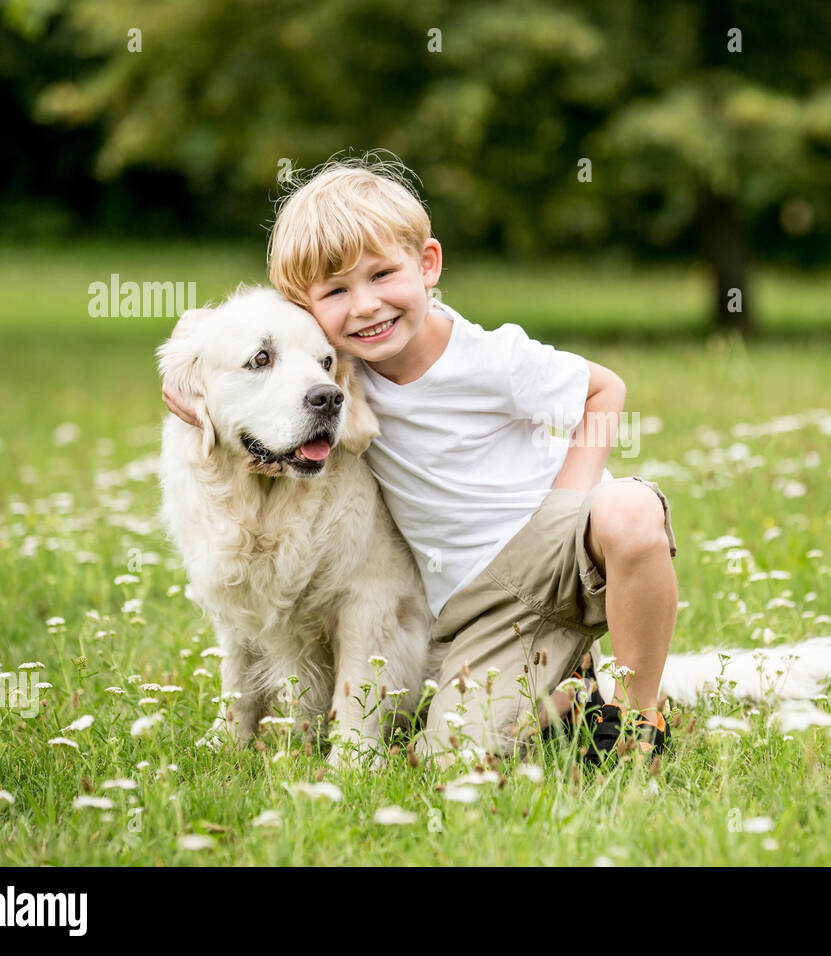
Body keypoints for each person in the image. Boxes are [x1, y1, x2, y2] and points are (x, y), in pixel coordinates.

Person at [162, 158, 679, 767]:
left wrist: (567, 506)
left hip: (561, 543)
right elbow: (238, 350)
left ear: (428, 264)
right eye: (336, 292)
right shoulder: (343, 377)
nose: (365, 307)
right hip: (477, 605)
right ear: (308, 310)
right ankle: (568, 691)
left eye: (383, 275)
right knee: (450, 758)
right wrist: (185, 367)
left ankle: (640, 715)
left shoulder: (490, 357)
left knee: (630, 510)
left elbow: (605, 390)